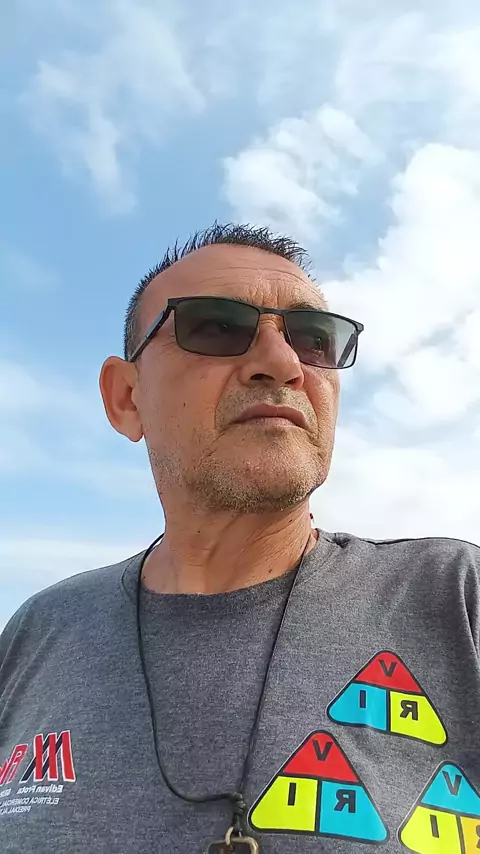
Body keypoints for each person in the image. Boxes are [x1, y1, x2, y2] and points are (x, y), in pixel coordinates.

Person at [1, 222, 479, 854]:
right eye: (216, 327)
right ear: (126, 399)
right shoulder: (39, 633)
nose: (283, 364)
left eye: (313, 338)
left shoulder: (456, 599)